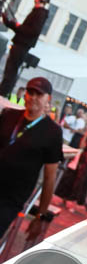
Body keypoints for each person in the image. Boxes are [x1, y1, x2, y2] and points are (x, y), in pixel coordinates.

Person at [0, 76, 63, 240]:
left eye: (39, 94)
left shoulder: (53, 132)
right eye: (30, 92)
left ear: (48, 99)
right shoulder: (8, 115)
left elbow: (49, 177)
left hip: (10, 199)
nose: (33, 97)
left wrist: (40, 216)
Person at [0, 0, 50, 99]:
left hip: (22, 46)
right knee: (10, 70)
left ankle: (3, 93)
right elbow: (24, 30)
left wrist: (18, 26)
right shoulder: (37, 12)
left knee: (11, 70)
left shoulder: (40, 13)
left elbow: (33, 31)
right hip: (20, 44)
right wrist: (10, 23)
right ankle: (3, 91)